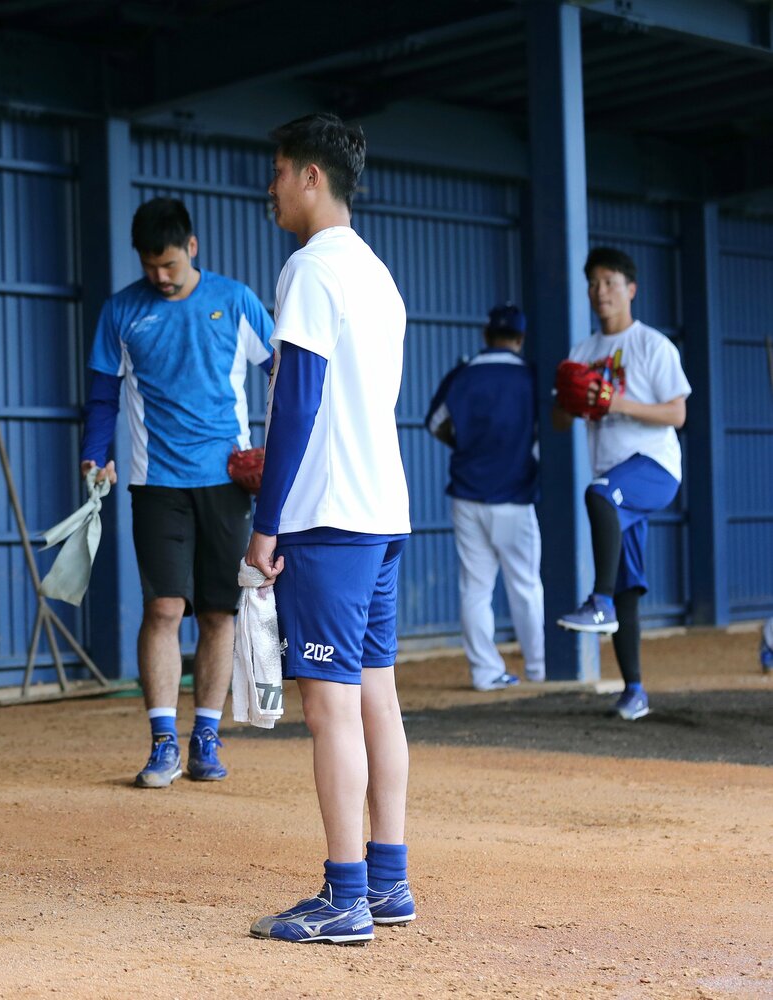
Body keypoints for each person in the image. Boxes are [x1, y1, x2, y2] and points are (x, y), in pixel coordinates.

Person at [243, 113, 412, 945]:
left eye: (277, 171)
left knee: (330, 710)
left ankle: (344, 897)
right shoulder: (379, 275)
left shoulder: (310, 269)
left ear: (312, 176)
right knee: (377, 697)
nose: (269, 186)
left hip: (328, 516)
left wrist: (266, 527)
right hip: (382, 511)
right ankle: (388, 882)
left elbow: (298, 401)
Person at [80, 197, 275, 788]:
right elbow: (102, 395)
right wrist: (97, 452)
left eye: (168, 263)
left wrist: (278, 452)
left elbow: (282, 373)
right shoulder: (121, 311)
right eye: (149, 266)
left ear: (191, 248)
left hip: (226, 481)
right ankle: (163, 740)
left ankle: (206, 739)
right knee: (164, 607)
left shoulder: (235, 301)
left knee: (220, 612)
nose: (159, 276)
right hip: (154, 481)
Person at [553, 247, 689, 722]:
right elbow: (557, 421)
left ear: (631, 289)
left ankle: (598, 601)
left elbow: (677, 412)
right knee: (628, 585)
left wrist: (616, 403)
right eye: (593, 283)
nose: (600, 291)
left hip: (654, 467)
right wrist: (573, 398)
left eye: (610, 282)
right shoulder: (583, 351)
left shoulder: (653, 345)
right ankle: (635, 692)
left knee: (599, 494)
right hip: (616, 480)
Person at [424, 304, 546, 690]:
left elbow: (435, 423)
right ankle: (541, 669)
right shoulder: (531, 376)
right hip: (516, 495)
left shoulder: (464, 374)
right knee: (525, 586)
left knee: (476, 587)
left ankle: (485, 672)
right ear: (521, 339)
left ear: (485, 334)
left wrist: (466, 445)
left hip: (468, 493)